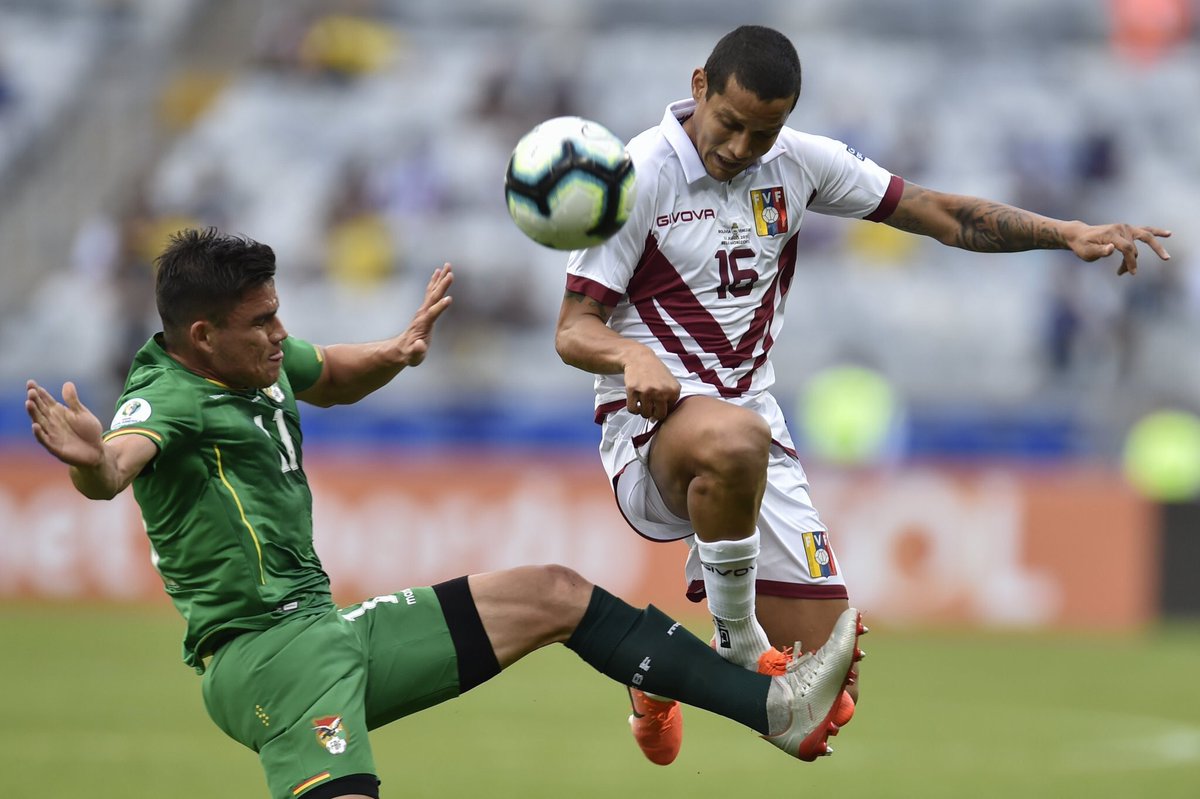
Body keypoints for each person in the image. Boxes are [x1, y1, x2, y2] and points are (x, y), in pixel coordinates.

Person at [24, 228, 865, 799]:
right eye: (263, 322)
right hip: (266, 660)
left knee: (555, 592)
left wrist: (393, 351)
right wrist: (95, 462)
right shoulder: (163, 397)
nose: (281, 333)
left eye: (279, 312)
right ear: (201, 335)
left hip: (327, 633)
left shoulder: (254, 360)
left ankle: (775, 710)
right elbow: (118, 466)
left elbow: (328, 371)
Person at [553, 24, 1172, 766]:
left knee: (824, 705)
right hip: (649, 435)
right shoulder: (638, 173)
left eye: (764, 131)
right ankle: (734, 635)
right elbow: (572, 328)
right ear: (699, 88)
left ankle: (657, 671)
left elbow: (941, 214)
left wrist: (1065, 231)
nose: (743, 147)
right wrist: (627, 356)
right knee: (733, 443)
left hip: (754, 432)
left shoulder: (798, 163)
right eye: (731, 124)